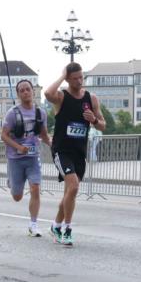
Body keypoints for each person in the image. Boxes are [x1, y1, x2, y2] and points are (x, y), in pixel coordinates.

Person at [43, 63, 106, 246]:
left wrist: (93, 120)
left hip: (79, 152)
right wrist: (62, 75)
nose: (80, 81)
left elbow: (103, 125)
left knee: (70, 193)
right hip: (62, 150)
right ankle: (67, 229)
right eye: (75, 78)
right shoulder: (62, 96)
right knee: (74, 187)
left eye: (81, 77)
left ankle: (55, 225)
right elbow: (47, 94)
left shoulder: (91, 98)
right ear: (68, 79)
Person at [1, 79, 52, 237]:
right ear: (18, 94)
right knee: (17, 196)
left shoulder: (41, 113)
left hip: (33, 157)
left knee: (35, 188)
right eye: (21, 90)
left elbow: (43, 134)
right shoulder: (12, 113)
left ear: (33, 92)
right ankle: (12, 180)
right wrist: (18, 147)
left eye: (27, 89)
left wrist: (52, 144)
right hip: (15, 159)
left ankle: (33, 224)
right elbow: (3, 135)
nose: (25, 92)